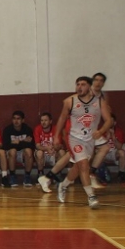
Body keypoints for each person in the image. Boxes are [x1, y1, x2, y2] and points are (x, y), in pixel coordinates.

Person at [53, 76, 113, 208]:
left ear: (89, 86)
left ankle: (63, 185)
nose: (79, 87)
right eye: (77, 84)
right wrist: (56, 136)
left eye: (83, 84)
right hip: (74, 138)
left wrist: (101, 130)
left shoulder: (99, 101)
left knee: (78, 167)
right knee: (84, 164)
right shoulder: (70, 101)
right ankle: (91, 196)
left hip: (90, 140)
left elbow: (109, 120)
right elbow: (62, 119)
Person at [34, 112, 67, 193]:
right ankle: (40, 174)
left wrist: (54, 148)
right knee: (39, 152)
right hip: (43, 152)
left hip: (53, 152)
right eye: (42, 120)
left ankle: (57, 174)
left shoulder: (56, 129)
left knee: (62, 152)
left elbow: (60, 145)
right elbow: (37, 146)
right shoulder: (37, 129)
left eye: (46, 120)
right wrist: (46, 149)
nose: (43, 122)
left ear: (51, 121)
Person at [2, 111, 36, 187]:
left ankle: (27, 176)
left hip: (23, 151)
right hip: (11, 152)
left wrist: (17, 142)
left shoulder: (27, 129)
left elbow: (31, 145)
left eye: (18, 119)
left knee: (29, 151)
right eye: (14, 119)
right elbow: (5, 145)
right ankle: (12, 176)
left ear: (23, 120)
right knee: (13, 151)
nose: (16, 121)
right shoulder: (7, 130)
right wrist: (23, 142)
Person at [88, 72, 110, 188]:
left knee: (105, 147)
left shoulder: (103, 95)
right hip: (82, 128)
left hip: (94, 129)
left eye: (101, 80)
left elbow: (106, 114)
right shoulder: (87, 92)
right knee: (84, 156)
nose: (98, 82)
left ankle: (91, 174)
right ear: (92, 81)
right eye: (96, 80)